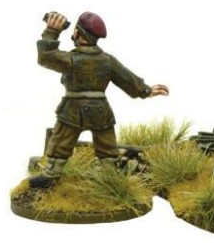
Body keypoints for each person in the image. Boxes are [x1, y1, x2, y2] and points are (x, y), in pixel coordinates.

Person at [33, 11, 168, 185]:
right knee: (107, 145)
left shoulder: (71, 60)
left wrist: (52, 32)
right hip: (100, 110)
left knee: (60, 141)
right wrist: (146, 90)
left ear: (77, 33)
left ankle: (51, 174)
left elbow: (45, 57)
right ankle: (110, 174)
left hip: (72, 109)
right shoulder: (107, 60)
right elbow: (126, 79)